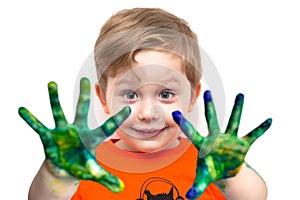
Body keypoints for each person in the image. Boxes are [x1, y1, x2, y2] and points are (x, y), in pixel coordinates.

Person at [19, 8, 272, 200]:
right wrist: (56, 174)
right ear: (103, 98)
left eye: (165, 94)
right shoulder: (85, 163)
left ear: (193, 96)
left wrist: (232, 174)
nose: (148, 114)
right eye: (130, 95)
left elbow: (254, 196)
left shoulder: (209, 160)